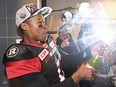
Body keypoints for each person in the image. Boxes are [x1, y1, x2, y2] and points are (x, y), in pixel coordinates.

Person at [2, 3, 96, 87]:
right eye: (39, 23)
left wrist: (88, 51)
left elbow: (61, 59)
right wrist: (77, 77)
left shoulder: (47, 39)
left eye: (44, 22)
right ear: (24, 26)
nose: (45, 26)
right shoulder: (22, 53)